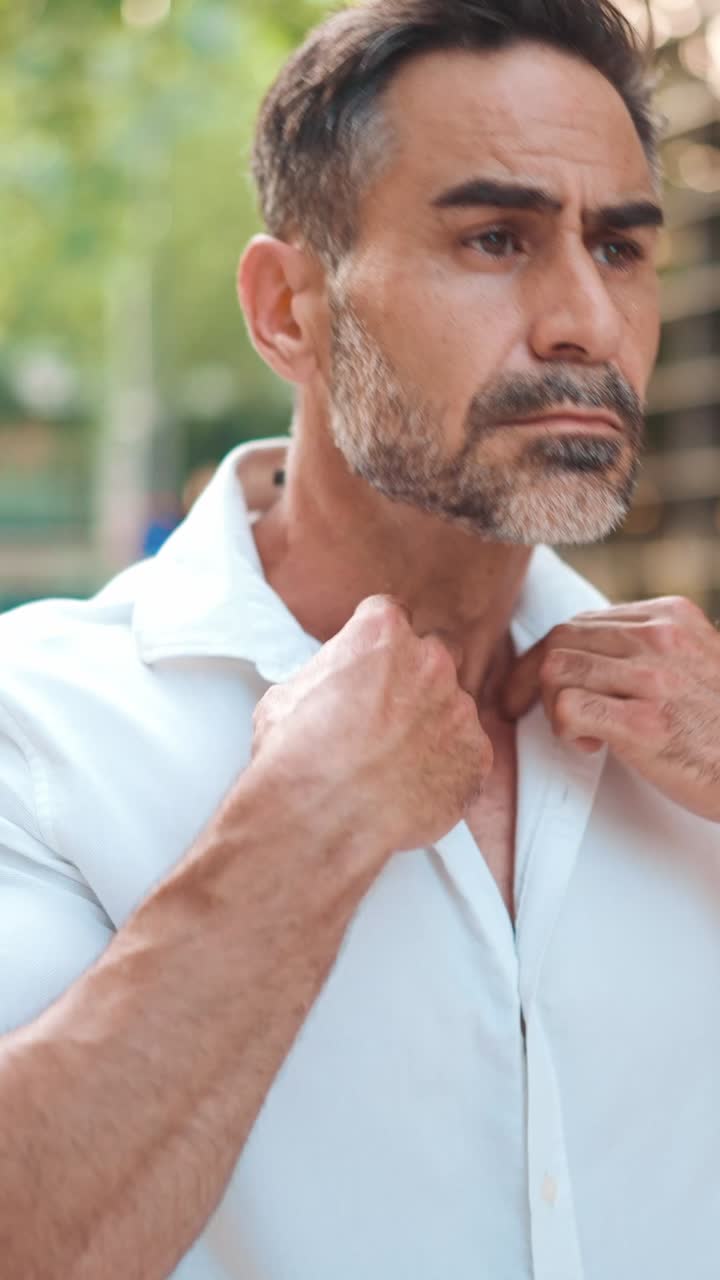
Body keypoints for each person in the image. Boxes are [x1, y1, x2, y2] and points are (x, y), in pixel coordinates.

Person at [1, 2, 719, 1277]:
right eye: (495, 239)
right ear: (289, 309)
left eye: (618, 248)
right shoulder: (40, 728)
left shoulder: (695, 729)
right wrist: (297, 834)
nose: (583, 324)